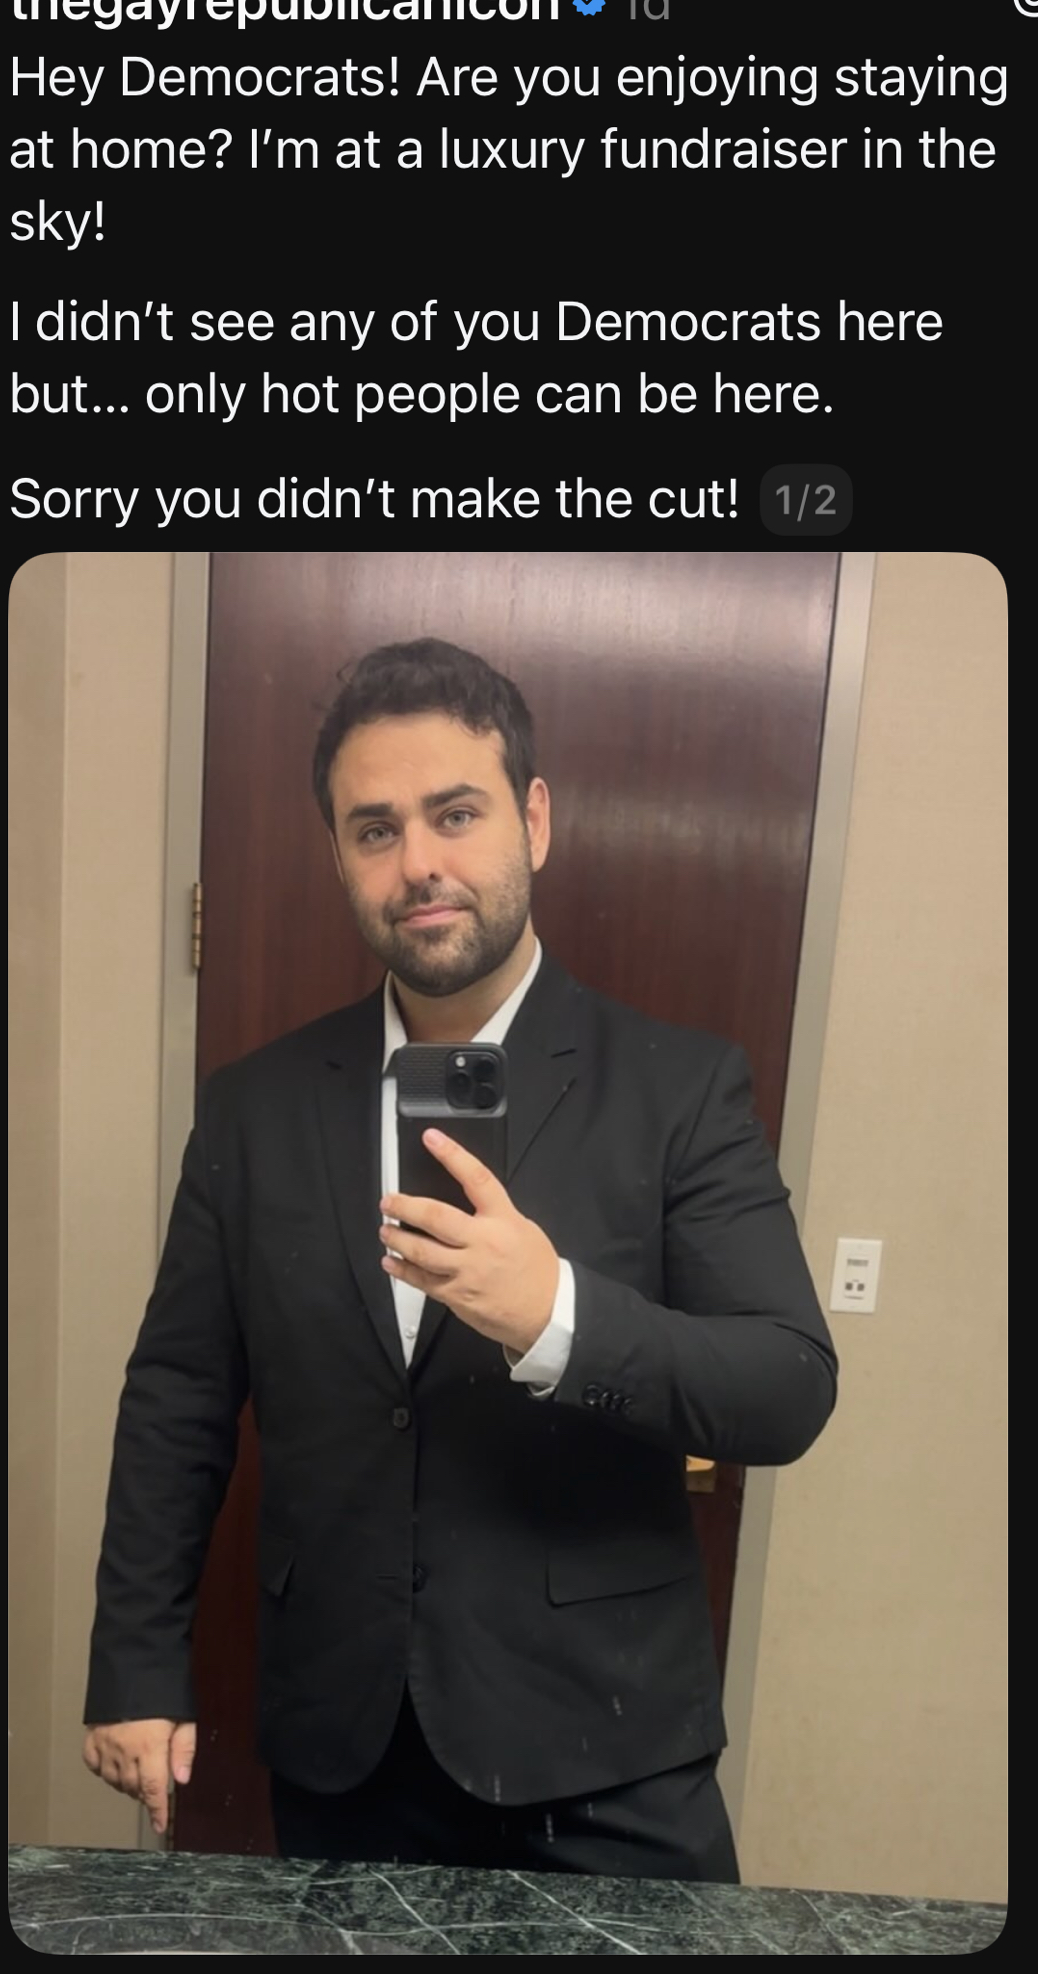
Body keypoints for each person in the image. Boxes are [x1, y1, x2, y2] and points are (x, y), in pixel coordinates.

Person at [83, 636, 837, 1880]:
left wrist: (556, 1315)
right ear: (337, 854)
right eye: (374, 829)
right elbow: (178, 1398)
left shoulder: (677, 1087)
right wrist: (135, 1664)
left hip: (605, 1747)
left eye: (455, 812)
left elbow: (785, 1382)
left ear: (532, 820)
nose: (418, 862)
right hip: (344, 1744)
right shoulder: (254, 1107)